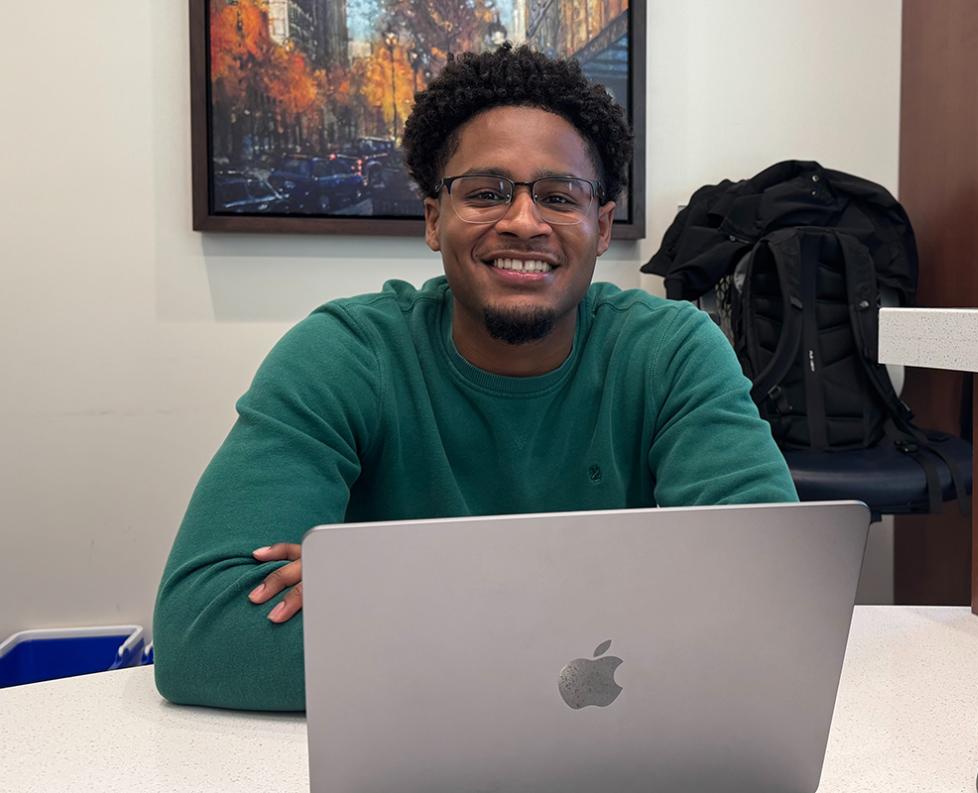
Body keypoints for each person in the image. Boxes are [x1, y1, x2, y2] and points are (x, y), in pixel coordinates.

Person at [153, 44, 797, 712]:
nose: (523, 222)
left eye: (558, 195)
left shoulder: (672, 354)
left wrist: (386, 591)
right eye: (487, 192)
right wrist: (610, 614)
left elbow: (773, 600)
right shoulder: (343, 354)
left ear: (601, 226)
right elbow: (208, 634)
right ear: (434, 217)